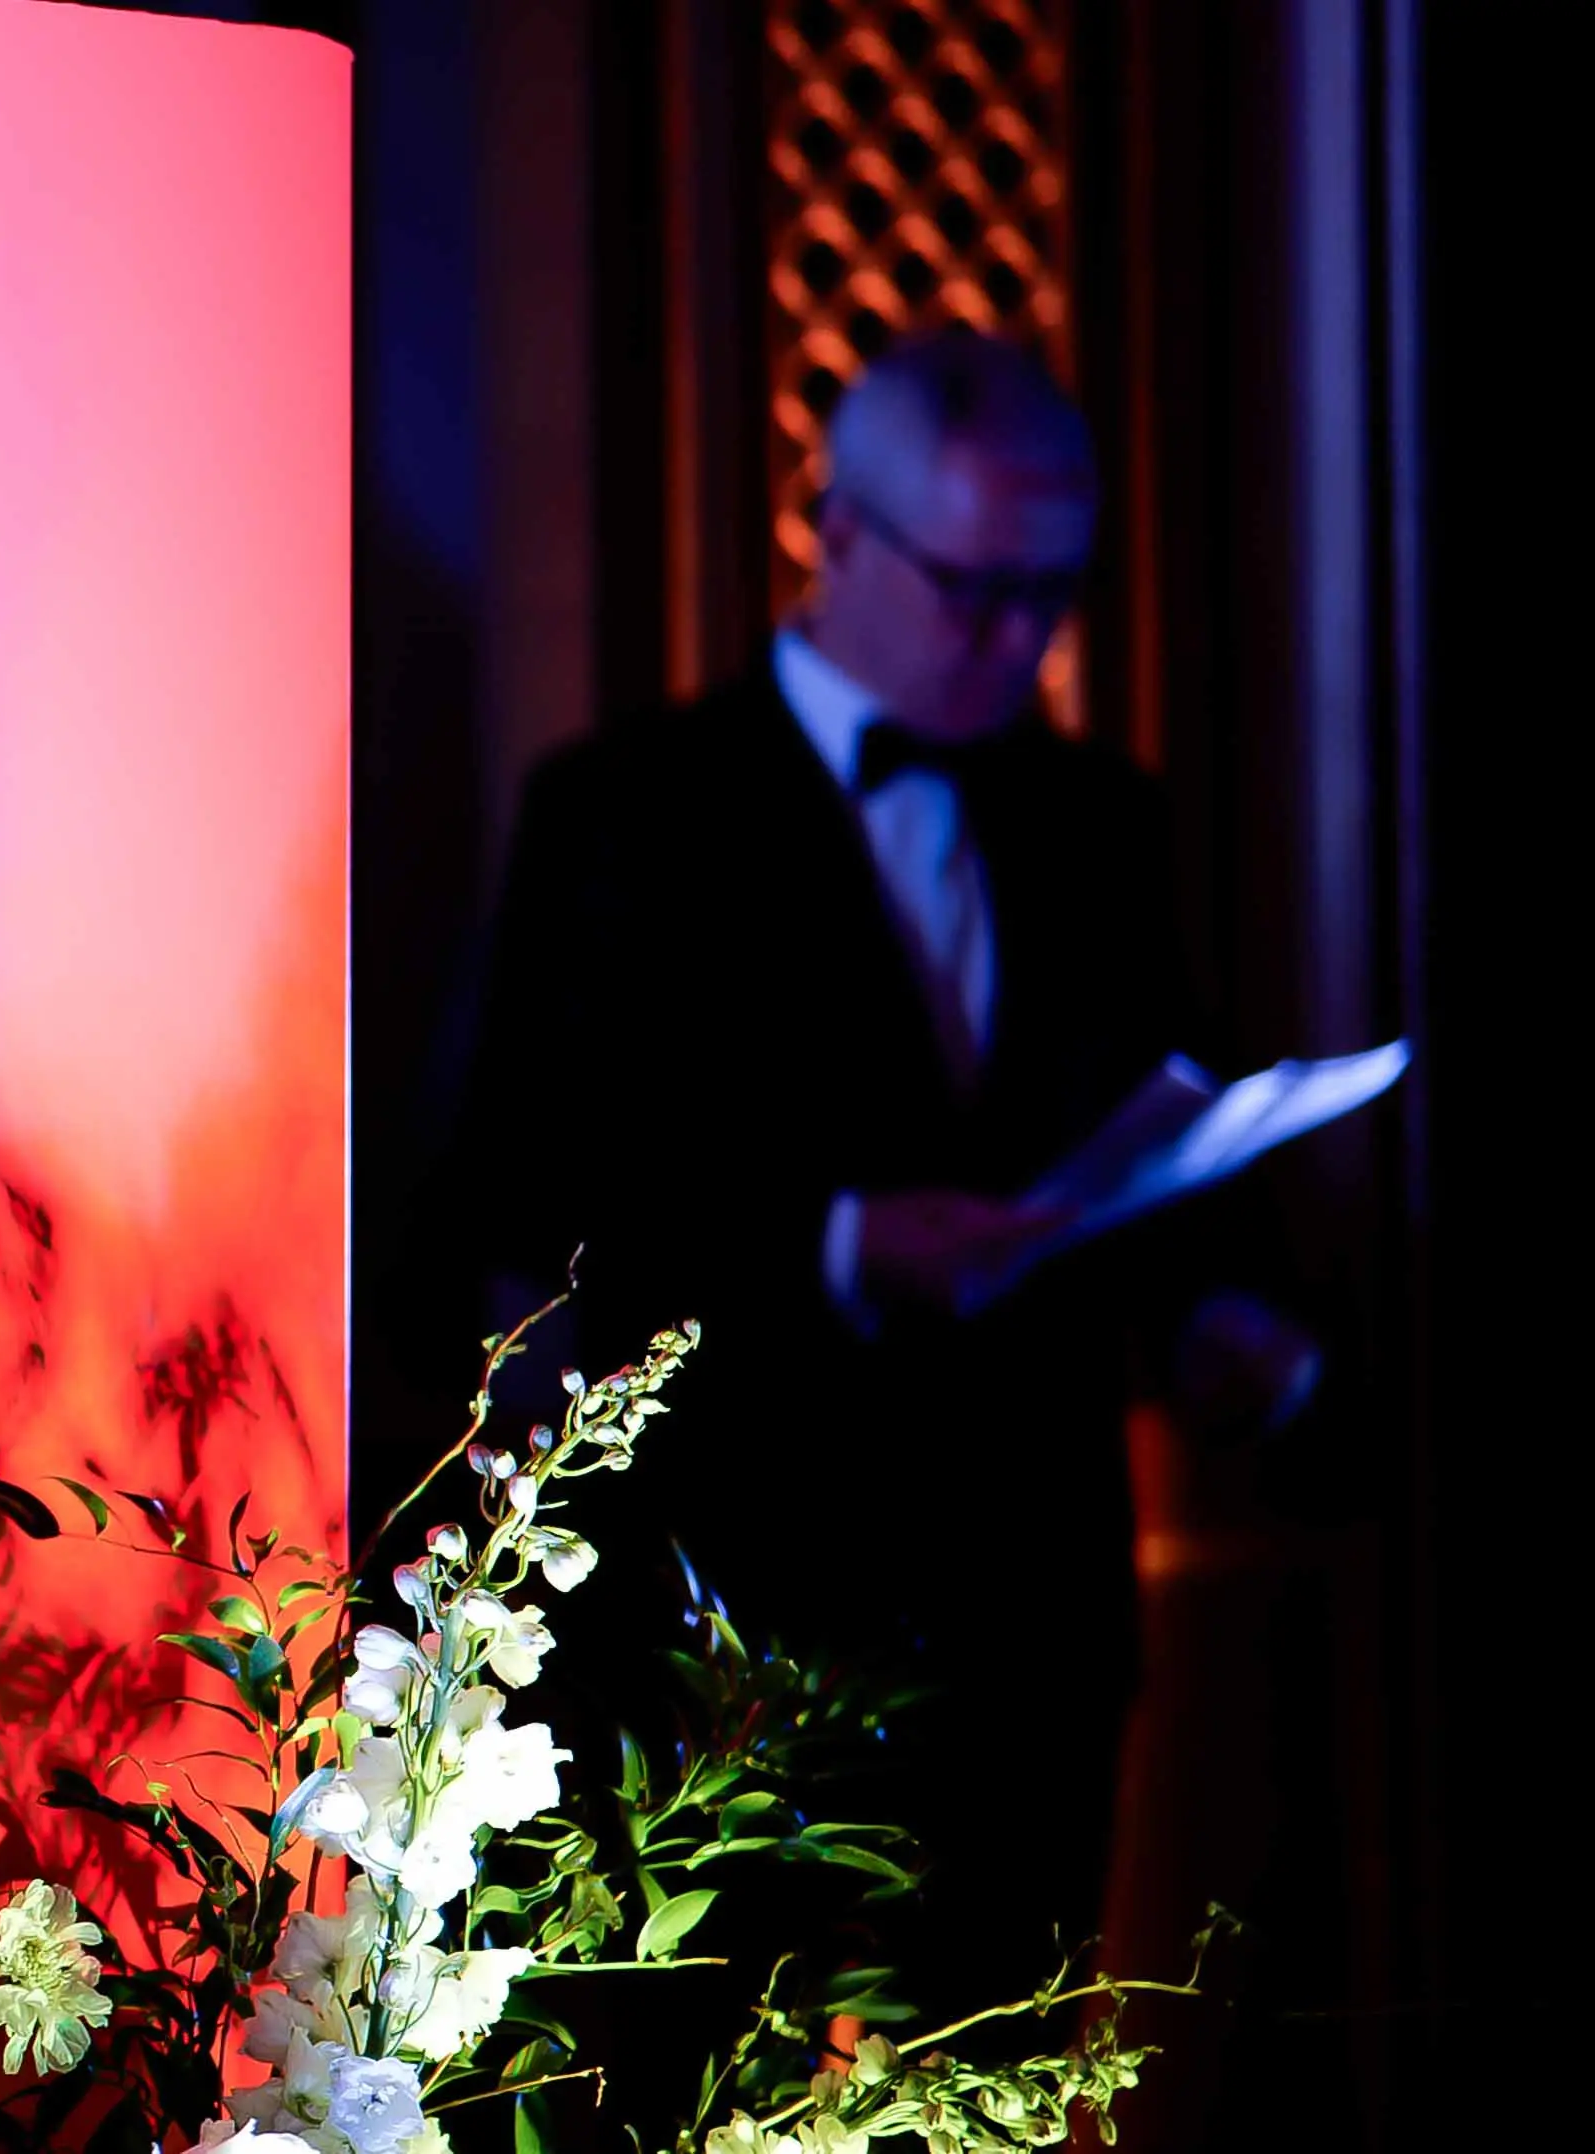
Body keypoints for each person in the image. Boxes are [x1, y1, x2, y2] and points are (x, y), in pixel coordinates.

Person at [393, 329, 1301, 2012]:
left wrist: (1219, 1317)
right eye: (974, 589)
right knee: (687, 2074)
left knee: (1002, 2074)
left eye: (1052, 593)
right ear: (834, 532)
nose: (1018, 641)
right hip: (726, 1596)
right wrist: (830, 1239)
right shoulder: (626, 808)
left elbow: (1162, 1158)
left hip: (1029, 1602)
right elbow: (519, 1188)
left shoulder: (1099, 817)